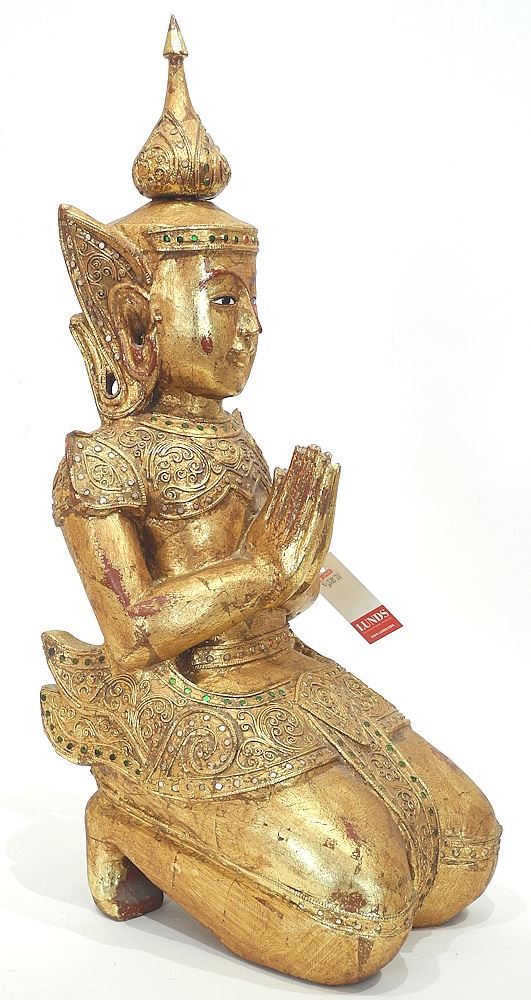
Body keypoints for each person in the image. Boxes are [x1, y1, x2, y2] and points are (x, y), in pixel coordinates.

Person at [41, 17, 501, 986]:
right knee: (356, 922)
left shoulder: (237, 441)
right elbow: (132, 632)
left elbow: (281, 585)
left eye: (251, 299)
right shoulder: (104, 464)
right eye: (223, 300)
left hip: (285, 672)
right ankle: (124, 813)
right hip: (187, 693)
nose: (250, 326)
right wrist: (262, 569)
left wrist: (306, 569)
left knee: (463, 853)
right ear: (137, 321)